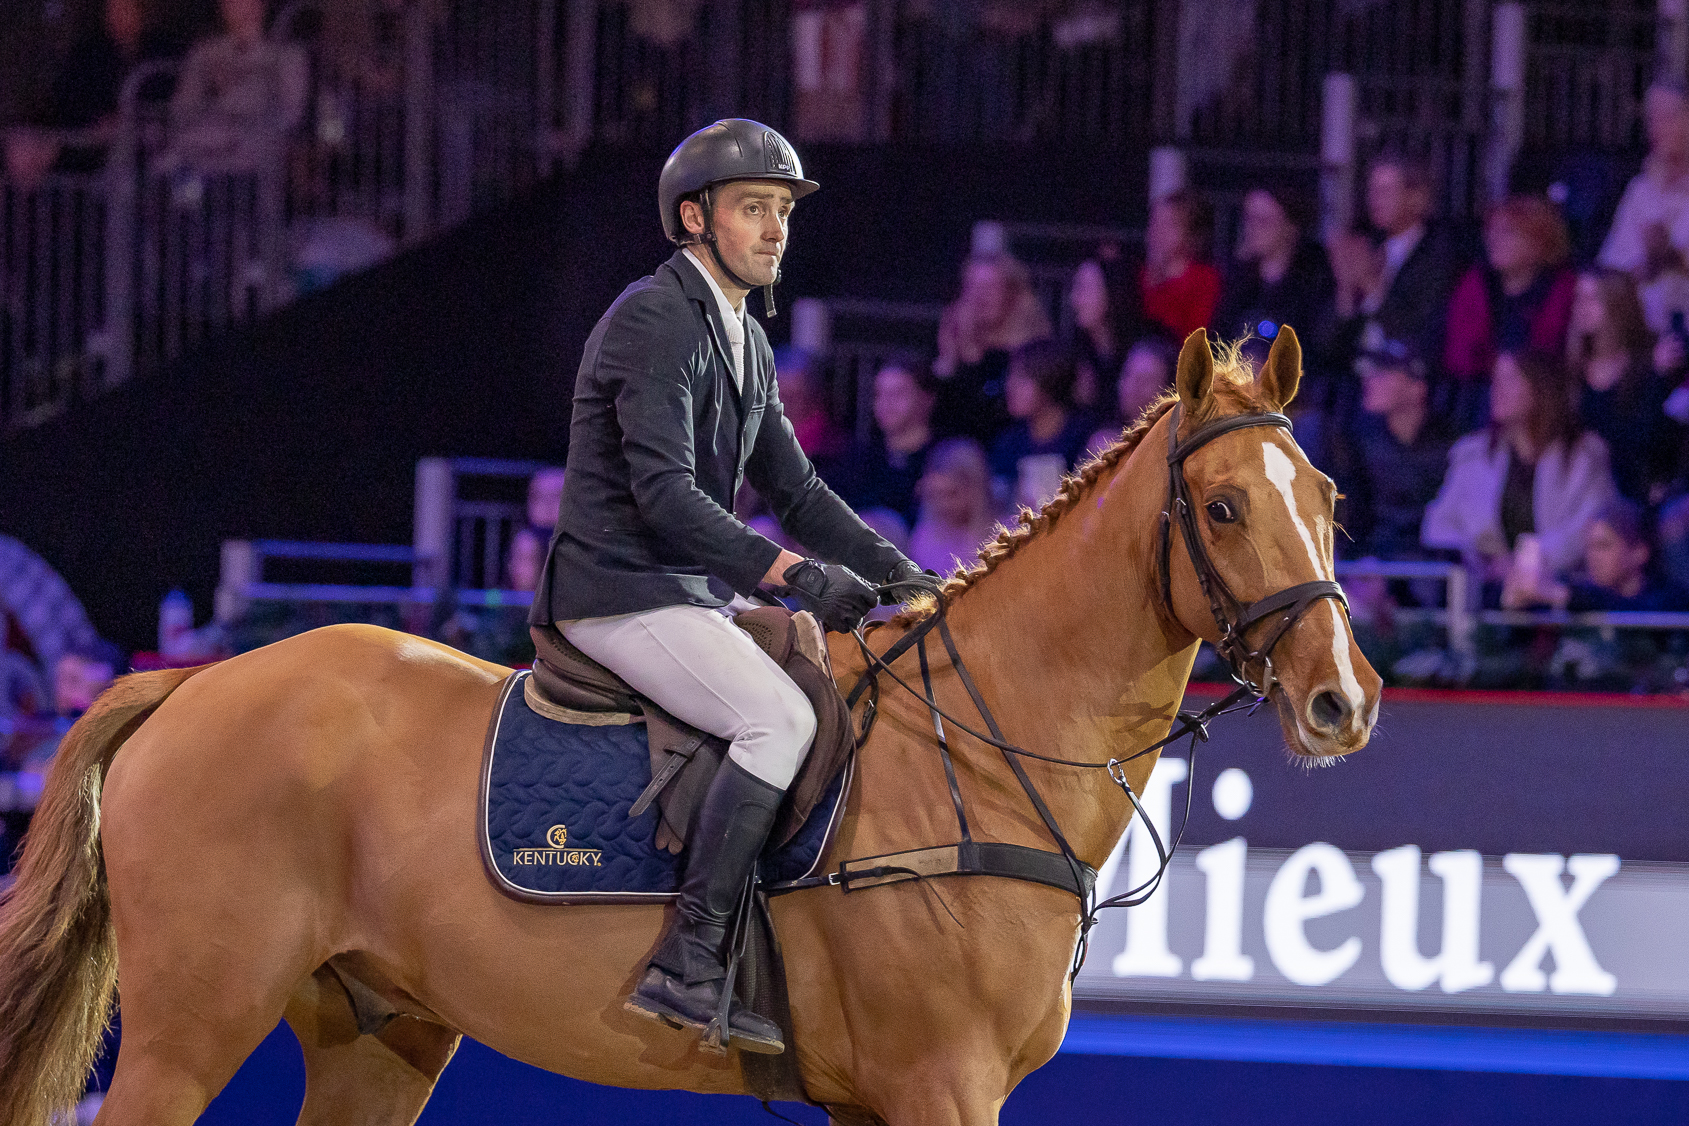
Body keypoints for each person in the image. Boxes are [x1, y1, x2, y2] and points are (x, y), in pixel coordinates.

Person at [527, 119, 927, 1055]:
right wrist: (791, 575)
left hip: (681, 594)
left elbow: (798, 489)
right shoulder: (654, 316)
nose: (776, 229)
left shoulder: (741, 334)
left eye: (783, 211)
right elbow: (664, 498)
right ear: (694, 218)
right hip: (618, 591)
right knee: (776, 720)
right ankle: (689, 958)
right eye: (755, 209)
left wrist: (905, 577)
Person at [1422, 351, 1616, 590]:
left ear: (1540, 389)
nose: (1497, 389)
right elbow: (1440, 524)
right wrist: (1483, 561)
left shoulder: (1583, 455)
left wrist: (1526, 562)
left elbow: (1588, 525)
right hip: (1487, 588)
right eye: (1496, 380)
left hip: (1560, 585)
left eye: (1510, 379)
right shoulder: (1473, 455)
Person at [1442, 197, 1577, 421]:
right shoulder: (1475, 284)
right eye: (1492, 231)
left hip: (1540, 398)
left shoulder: (1562, 290)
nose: (1495, 240)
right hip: (1474, 394)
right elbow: (1459, 354)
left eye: (1508, 233)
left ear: (1539, 243)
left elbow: (1548, 357)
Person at [1332, 151, 1466, 373]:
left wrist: (1371, 285)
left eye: (1385, 191)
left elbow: (1410, 334)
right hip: (1353, 385)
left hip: (1405, 380)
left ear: (1418, 197)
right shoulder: (1366, 245)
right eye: (1372, 190)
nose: (1374, 199)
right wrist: (1345, 292)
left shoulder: (1439, 256)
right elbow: (1326, 348)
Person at [1335, 339, 1457, 561]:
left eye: (1383, 373)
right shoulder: (1359, 443)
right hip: (1371, 567)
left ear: (1417, 387)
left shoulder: (1452, 447)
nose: (1369, 379)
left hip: (1433, 569)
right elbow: (1353, 521)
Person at [161, 0, 308, 177]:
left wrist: (249, 126)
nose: (233, 6)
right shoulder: (206, 52)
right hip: (204, 148)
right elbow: (183, 105)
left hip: (258, 155)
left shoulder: (287, 55)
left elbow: (291, 112)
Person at [1565, 269, 1676, 503]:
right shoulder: (1572, 371)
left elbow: (1651, 438)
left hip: (1639, 489)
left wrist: (1658, 379)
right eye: (1578, 298)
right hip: (1585, 492)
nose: (1581, 306)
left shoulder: (1648, 362)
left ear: (1618, 304)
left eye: (1592, 298)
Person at [932, 250, 1051, 441]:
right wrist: (950, 358)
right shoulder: (953, 345)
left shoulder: (1034, 352)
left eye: (991, 287)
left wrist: (973, 360)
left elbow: (1001, 418)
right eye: (972, 287)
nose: (980, 296)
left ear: (1013, 293)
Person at [1212, 186, 1335, 362]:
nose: (1252, 229)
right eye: (1248, 219)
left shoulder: (1312, 284)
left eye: (1262, 221)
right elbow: (1218, 340)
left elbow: (1315, 350)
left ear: (1290, 227)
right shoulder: (1237, 282)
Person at [1503, 497, 1689, 612]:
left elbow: (1626, 608)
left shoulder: (1670, 601)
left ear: (1639, 552)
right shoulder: (1586, 594)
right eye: (1589, 547)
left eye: (1603, 546)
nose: (1593, 556)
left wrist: (1556, 594)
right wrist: (1520, 601)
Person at [1598, 82, 1689, 279]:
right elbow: (1615, 267)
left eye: (1668, 117)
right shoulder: (1640, 190)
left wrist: (1672, 255)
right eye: (1651, 118)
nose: (1656, 127)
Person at [990, 339, 1094, 509]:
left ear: (1050, 380)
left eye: (1022, 378)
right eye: (1010, 377)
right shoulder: (1008, 443)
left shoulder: (1084, 436)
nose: (1010, 386)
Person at [837, 355, 939, 527]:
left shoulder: (943, 458)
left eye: (898, 394)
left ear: (926, 399)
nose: (886, 403)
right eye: (879, 394)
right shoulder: (860, 457)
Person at [909, 438, 1000, 575]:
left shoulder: (999, 536)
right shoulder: (923, 539)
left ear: (975, 489)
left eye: (951, 494)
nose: (942, 505)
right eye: (935, 495)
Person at [1139, 189, 1220, 341]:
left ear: (1191, 232)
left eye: (1169, 225)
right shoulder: (1141, 275)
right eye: (1154, 222)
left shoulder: (1204, 280)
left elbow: (1194, 335)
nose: (1157, 231)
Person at [1065, 252, 1140, 410]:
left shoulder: (1144, 349)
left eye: (1084, 288)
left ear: (1112, 291)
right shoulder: (1075, 353)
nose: (1074, 299)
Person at [1087, 335, 1176, 455]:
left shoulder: (1173, 449)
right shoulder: (1102, 443)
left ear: (1167, 392)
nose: (1133, 386)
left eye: (1145, 380)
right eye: (1129, 375)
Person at [771, 346, 847, 465]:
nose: (785, 404)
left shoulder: (832, 448)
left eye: (795, 396)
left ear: (814, 396)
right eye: (781, 395)